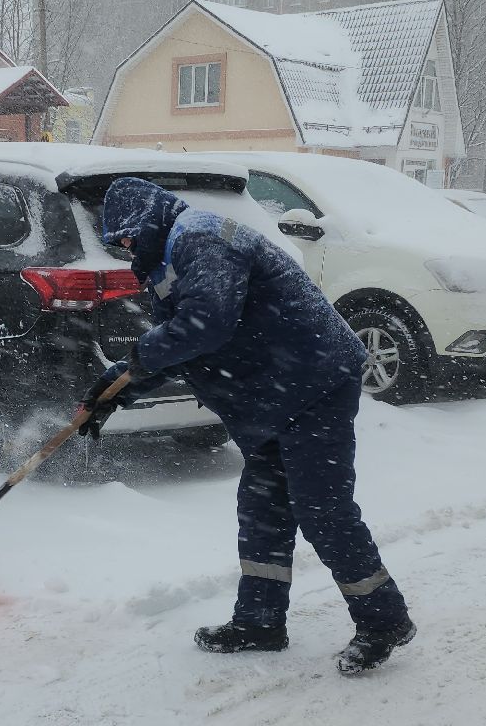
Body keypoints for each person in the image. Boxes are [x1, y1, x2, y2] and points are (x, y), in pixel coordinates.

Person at [82, 177, 414, 676]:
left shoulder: (202, 237)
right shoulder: (170, 261)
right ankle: (260, 622)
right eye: (118, 241)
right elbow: (186, 348)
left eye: (128, 236)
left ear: (150, 220)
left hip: (313, 385)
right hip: (273, 396)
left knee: (322, 509)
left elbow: (206, 324)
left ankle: (384, 619)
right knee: (262, 509)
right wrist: (114, 390)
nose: (125, 247)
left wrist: (138, 360)